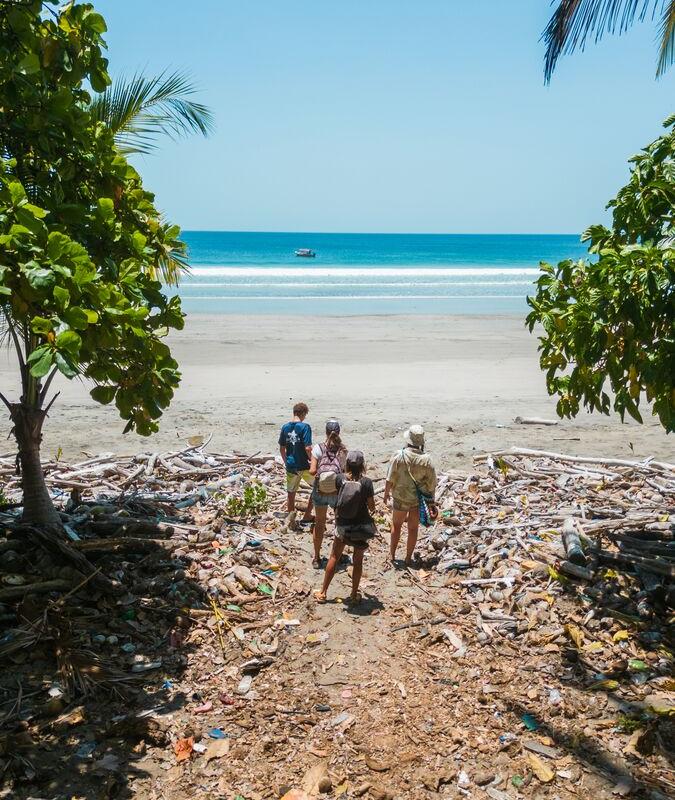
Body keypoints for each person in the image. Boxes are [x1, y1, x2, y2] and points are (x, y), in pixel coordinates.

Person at [315, 450, 376, 604]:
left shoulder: (340, 478)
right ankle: (354, 595)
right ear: (362, 465)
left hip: (343, 523)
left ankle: (323, 593)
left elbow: (339, 498)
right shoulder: (367, 482)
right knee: (358, 561)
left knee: (334, 556)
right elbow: (371, 506)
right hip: (361, 525)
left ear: (347, 464)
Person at [383, 425, 437, 566]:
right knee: (413, 529)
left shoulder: (399, 455)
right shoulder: (427, 460)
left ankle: (392, 555)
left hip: (400, 497)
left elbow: (389, 478)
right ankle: (408, 558)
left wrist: (386, 494)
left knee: (396, 526)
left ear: (408, 440)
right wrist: (432, 502)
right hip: (417, 500)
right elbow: (431, 484)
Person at [309, 419, 348, 569]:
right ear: (339, 432)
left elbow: (312, 471)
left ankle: (317, 558)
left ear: (325, 432)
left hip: (320, 490)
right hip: (336, 491)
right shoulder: (342, 450)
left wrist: (321, 473)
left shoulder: (318, 448)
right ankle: (336, 556)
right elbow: (345, 472)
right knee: (339, 523)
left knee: (319, 523)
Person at [278, 402, 314, 522]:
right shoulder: (305, 427)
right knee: (318, 487)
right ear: (303, 413)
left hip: (291, 465)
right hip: (304, 465)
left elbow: (282, 448)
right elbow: (308, 448)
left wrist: (286, 462)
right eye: (305, 415)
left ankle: (291, 519)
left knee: (291, 493)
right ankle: (307, 514)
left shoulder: (285, 427)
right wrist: (313, 461)